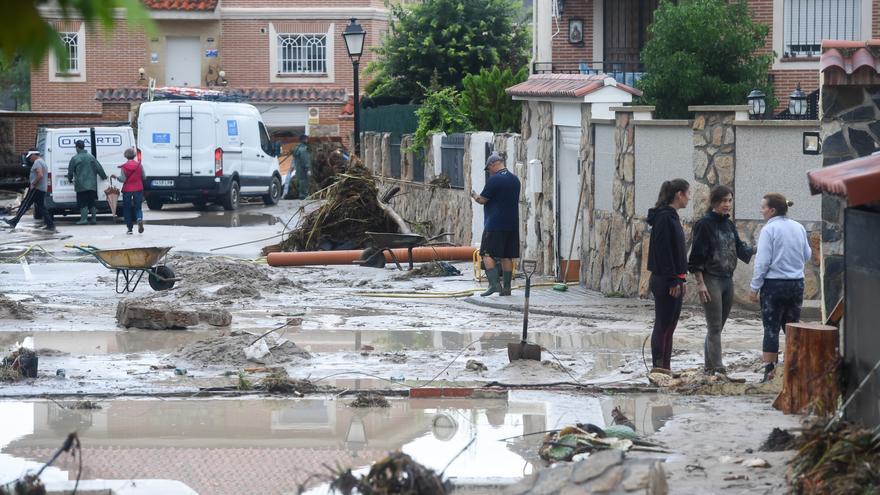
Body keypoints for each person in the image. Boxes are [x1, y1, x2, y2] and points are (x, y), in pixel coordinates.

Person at [688, 185, 754, 375]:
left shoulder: (729, 224)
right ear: (714, 202)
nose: (727, 205)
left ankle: (709, 366)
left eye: (729, 200)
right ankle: (718, 368)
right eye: (723, 201)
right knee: (714, 326)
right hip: (711, 279)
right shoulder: (704, 224)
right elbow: (696, 257)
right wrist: (700, 284)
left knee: (718, 327)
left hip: (727, 279)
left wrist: (765, 244)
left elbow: (742, 251)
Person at [749, 193, 811, 383]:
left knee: (771, 328)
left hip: (774, 285)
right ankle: (795, 368)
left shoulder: (769, 230)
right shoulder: (798, 227)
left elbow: (762, 262)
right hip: (796, 284)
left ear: (772, 210)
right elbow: (807, 255)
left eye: (763, 207)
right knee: (792, 326)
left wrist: (754, 287)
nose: (761, 210)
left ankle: (770, 373)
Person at [646, 179, 690, 374]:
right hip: (665, 279)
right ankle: (658, 367)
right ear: (679, 194)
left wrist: (682, 278)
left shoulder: (672, 216)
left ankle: (666, 367)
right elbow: (664, 251)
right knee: (663, 325)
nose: (689, 198)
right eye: (688, 193)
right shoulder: (664, 218)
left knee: (670, 327)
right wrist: (673, 279)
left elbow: (677, 252)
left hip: (675, 278)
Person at [470, 153, 521, 297]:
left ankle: (494, 285)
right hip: (512, 224)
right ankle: (507, 288)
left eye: (489, 168)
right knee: (507, 256)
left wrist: (473, 195)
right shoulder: (515, 180)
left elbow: (482, 200)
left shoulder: (495, 180)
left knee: (486, 254)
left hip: (495, 224)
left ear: (494, 164)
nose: (489, 172)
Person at [4, 149, 57, 233]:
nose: (29, 159)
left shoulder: (37, 162)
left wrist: (33, 184)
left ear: (34, 155)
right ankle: (50, 225)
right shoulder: (42, 162)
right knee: (41, 207)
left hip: (36, 188)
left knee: (25, 204)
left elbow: (40, 175)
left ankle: (14, 221)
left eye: (30, 157)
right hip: (42, 188)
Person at [67, 140, 107, 225]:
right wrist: (104, 176)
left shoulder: (75, 158)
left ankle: (84, 219)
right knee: (91, 201)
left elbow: (70, 171)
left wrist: (70, 179)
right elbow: (99, 168)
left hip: (81, 185)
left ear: (77, 147)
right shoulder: (91, 157)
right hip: (92, 184)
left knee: (83, 202)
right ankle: (93, 219)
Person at [111, 148, 145, 235]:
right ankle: (139, 218)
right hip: (138, 188)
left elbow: (123, 179)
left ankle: (129, 228)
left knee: (127, 208)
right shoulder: (139, 165)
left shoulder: (124, 167)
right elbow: (144, 177)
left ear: (126, 156)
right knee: (138, 207)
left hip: (127, 190)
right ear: (134, 155)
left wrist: (116, 177)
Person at [294, 134, 311, 200]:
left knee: (301, 181)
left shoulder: (297, 148)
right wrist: (308, 169)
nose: (307, 140)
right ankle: (304, 195)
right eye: (306, 139)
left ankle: (301, 195)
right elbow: (305, 160)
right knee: (304, 182)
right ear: (304, 140)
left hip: (299, 168)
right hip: (303, 169)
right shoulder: (303, 149)